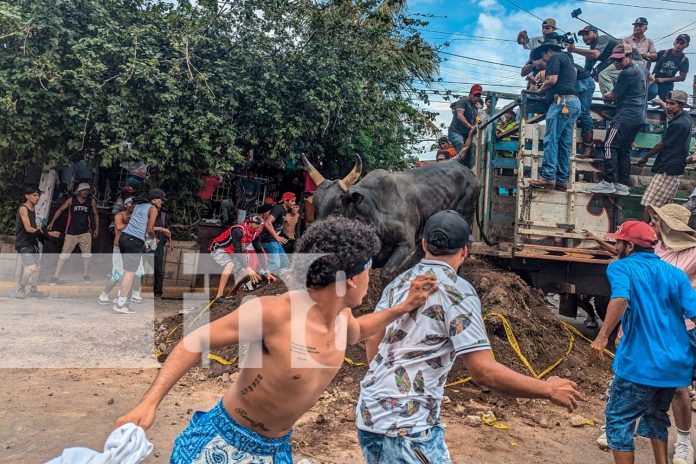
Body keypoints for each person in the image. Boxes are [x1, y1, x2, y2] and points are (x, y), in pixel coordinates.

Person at [115, 216, 438, 463]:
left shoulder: (341, 316)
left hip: (277, 450)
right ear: (351, 280)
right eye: (369, 270)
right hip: (223, 443)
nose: (371, 280)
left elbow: (357, 331)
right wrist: (149, 402)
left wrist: (403, 307)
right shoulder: (274, 313)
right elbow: (192, 342)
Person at [357, 210, 582, 463]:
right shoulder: (458, 292)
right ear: (466, 250)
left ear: (423, 244)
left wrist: (388, 388)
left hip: (374, 414)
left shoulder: (400, 283)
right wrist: (547, 389)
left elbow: (373, 338)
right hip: (405, 428)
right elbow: (483, 372)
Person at [590, 220, 696, 464]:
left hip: (639, 363)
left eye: (618, 241)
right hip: (674, 365)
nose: (615, 245)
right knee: (657, 417)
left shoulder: (621, 267)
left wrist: (602, 336)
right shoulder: (676, 274)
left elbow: (620, 299)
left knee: (617, 421)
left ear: (628, 245)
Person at [646, 204, 696, 464]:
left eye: (657, 219)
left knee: (678, 388)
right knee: (634, 379)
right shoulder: (652, 248)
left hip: (681, 327)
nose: (653, 223)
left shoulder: (694, 252)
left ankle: (684, 442)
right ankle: (615, 429)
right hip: (648, 325)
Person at [588, 44, 650, 195]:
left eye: (620, 60)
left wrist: (606, 95)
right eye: (614, 60)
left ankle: (608, 182)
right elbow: (651, 78)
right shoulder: (641, 67)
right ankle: (622, 184)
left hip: (626, 115)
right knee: (624, 150)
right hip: (639, 115)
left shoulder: (627, 73)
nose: (616, 63)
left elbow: (613, 95)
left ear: (629, 57)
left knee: (609, 145)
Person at [528, 38, 580, 191]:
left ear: (548, 51)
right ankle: (562, 179)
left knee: (551, 139)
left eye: (543, 56)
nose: (543, 60)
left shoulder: (554, 57)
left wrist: (539, 89)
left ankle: (548, 176)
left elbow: (552, 80)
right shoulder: (568, 60)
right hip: (573, 103)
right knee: (564, 142)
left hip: (561, 103)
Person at [637, 90, 694, 220]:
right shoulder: (685, 117)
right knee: (661, 207)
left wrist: (645, 158)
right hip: (673, 167)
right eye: (667, 103)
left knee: (649, 205)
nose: (668, 106)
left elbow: (661, 145)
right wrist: (662, 104)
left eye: (671, 104)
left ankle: (645, 235)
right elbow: (671, 117)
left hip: (668, 169)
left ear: (681, 105)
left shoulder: (679, 124)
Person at [112, 188, 165, 314]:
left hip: (124, 238)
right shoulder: (153, 209)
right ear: (155, 200)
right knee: (130, 273)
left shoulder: (139, 205)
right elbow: (150, 229)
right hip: (134, 241)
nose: (161, 202)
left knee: (127, 272)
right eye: (161, 200)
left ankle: (121, 298)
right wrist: (154, 239)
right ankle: (121, 304)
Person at [209, 214, 276, 302]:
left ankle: (229, 295)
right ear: (249, 223)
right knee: (230, 265)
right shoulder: (238, 230)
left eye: (260, 224)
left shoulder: (256, 233)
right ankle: (219, 296)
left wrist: (267, 271)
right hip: (220, 248)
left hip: (233, 252)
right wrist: (249, 268)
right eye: (257, 224)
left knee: (244, 273)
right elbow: (237, 251)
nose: (260, 226)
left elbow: (259, 250)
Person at [48, 183, 99, 284]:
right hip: (71, 232)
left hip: (85, 232)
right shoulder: (71, 200)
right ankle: (55, 276)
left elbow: (96, 214)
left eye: (87, 190)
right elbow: (60, 209)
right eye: (83, 190)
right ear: (79, 191)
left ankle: (86, 275)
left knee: (87, 255)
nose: (85, 192)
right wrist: (52, 221)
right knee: (64, 255)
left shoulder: (91, 201)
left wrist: (97, 228)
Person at [98, 197, 137, 305]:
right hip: (118, 248)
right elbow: (119, 227)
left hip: (129, 248)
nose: (132, 205)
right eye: (130, 203)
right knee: (117, 274)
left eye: (134, 204)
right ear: (125, 205)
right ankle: (104, 295)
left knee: (128, 274)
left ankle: (121, 297)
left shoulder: (134, 217)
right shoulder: (119, 216)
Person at [11, 186, 47, 299]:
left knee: (37, 267)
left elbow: (34, 227)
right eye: (35, 195)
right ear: (27, 196)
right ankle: (20, 289)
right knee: (31, 266)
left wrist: (45, 232)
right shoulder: (24, 208)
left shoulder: (33, 208)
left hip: (32, 242)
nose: (37, 198)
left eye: (38, 196)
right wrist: (40, 232)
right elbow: (27, 228)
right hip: (23, 243)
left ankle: (33, 290)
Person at [568, 26, 619, 95]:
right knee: (595, 74)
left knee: (602, 74)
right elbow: (586, 72)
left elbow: (595, 54)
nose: (585, 37)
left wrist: (574, 50)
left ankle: (610, 99)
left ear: (595, 33)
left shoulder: (603, 39)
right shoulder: (591, 51)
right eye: (583, 35)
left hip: (631, 62)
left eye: (587, 34)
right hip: (617, 66)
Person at [259, 192, 295, 274]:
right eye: (292, 201)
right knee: (275, 264)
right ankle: (256, 278)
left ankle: (276, 282)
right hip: (268, 240)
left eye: (294, 201)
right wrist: (277, 237)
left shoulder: (283, 210)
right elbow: (268, 223)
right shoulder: (278, 209)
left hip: (273, 240)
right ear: (286, 201)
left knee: (285, 262)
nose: (294, 203)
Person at [448, 84, 482, 167]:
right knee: (460, 145)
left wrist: (479, 121)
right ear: (470, 94)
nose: (476, 98)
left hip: (467, 135)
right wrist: (470, 127)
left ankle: (465, 170)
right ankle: (460, 171)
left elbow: (477, 119)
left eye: (478, 96)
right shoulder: (463, 101)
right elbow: (460, 115)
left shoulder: (475, 107)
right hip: (456, 132)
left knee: (470, 153)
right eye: (475, 95)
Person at [649, 34, 690, 102]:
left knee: (668, 102)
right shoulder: (663, 53)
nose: (678, 45)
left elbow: (682, 78)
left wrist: (664, 79)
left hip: (667, 84)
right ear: (674, 43)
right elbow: (649, 60)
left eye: (682, 43)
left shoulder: (684, 60)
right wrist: (647, 74)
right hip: (654, 80)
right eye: (677, 42)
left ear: (686, 45)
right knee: (652, 92)